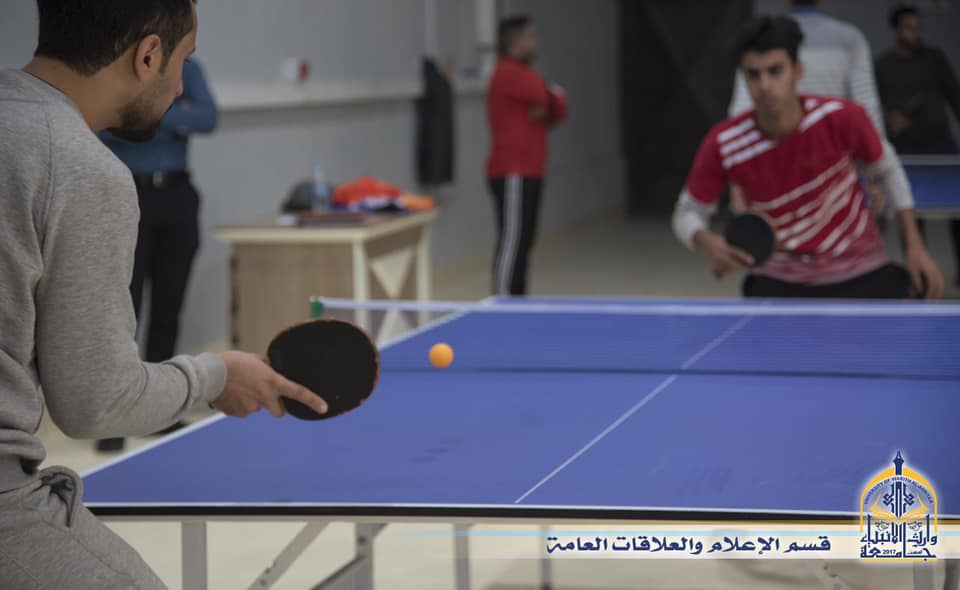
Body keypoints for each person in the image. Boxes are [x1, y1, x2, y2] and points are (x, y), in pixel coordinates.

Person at [0, 1, 328, 587]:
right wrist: (218, 376)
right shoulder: (80, 168)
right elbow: (96, 403)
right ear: (148, 55)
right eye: (184, 61)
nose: (180, 88)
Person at [672, 15, 944, 299]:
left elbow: (887, 170)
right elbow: (686, 213)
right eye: (753, 74)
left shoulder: (842, 118)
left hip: (861, 269)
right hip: (779, 280)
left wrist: (915, 246)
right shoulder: (725, 144)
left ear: (798, 71)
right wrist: (706, 242)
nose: (764, 85)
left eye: (775, 71)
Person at [96, 58, 219, 453]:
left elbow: (208, 117)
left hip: (177, 194)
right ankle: (114, 417)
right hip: (128, 193)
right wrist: (174, 114)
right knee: (123, 309)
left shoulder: (187, 67)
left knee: (169, 305)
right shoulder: (115, 64)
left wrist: (145, 115)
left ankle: (160, 410)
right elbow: (104, 125)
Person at [876, 3, 960, 284]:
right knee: (911, 217)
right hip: (906, 154)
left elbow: (955, 96)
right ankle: (920, 277)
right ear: (894, 31)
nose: (914, 33)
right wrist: (890, 120)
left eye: (917, 27)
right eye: (908, 28)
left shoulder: (934, 59)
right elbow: (874, 107)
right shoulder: (884, 66)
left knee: (957, 216)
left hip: (943, 150)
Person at [486, 15, 568, 296]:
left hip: (531, 170)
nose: (536, 44)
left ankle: (518, 300)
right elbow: (549, 96)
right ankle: (502, 302)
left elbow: (558, 109)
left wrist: (549, 101)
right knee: (513, 240)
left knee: (525, 240)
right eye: (531, 37)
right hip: (513, 172)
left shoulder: (523, 75)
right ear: (515, 42)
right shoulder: (509, 73)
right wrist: (548, 97)